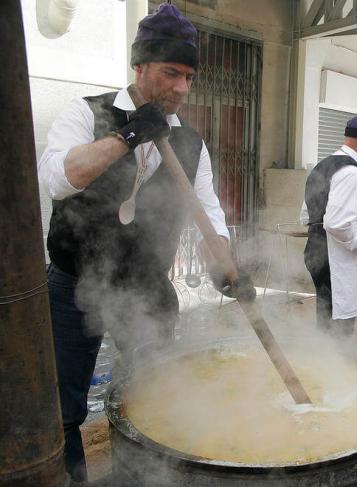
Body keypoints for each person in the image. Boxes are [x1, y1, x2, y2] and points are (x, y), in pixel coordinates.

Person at [37, 4, 250, 481]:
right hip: (73, 284)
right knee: (64, 406)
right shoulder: (86, 113)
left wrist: (226, 265)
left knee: (151, 399)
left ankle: (140, 479)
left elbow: (207, 211)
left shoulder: (191, 143)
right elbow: (57, 178)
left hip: (147, 288)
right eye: (170, 72)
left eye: (189, 77)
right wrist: (128, 135)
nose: (181, 88)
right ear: (139, 67)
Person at [301, 114, 357, 337]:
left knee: (326, 317)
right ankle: (336, 367)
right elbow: (337, 223)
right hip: (336, 258)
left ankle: (324, 364)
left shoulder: (325, 164)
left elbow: (305, 215)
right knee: (339, 323)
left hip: (316, 252)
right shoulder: (352, 173)